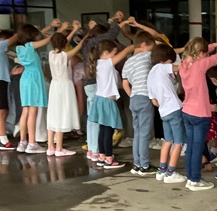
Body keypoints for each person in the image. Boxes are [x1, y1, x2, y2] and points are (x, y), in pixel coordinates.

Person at [178, 37, 217, 191]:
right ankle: (195, 180)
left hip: (187, 111)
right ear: (200, 53)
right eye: (205, 53)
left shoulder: (184, 64)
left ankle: (190, 178)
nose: (207, 55)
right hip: (200, 113)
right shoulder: (200, 65)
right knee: (198, 147)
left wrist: (216, 44)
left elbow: (199, 51)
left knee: (191, 147)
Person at [87, 40, 133, 169]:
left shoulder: (99, 64)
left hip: (100, 100)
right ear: (106, 53)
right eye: (114, 53)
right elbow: (124, 53)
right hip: (107, 101)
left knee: (103, 130)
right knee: (108, 131)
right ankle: (108, 158)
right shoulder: (106, 63)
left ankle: (102, 156)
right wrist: (133, 46)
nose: (115, 55)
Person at [15, 21, 59, 154]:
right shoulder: (30, 46)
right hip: (33, 79)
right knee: (33, 111)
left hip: (25, 78)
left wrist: (49, 27)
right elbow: (47, 40)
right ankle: (32, 142)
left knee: (25, 111)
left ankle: (23, 141)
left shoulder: (19, 48)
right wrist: (59, 29)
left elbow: (40, 38)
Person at [147, 44, 187, 183]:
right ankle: (171, 173)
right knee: (178, 142)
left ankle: (161, 170)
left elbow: (154, 101)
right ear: (165, 59)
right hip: (174, 108)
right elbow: (180, 68)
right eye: (171, 61)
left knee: (167, 141)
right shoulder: (162, 67)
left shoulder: (151, 73)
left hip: (163, 111)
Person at [46, 23, 85, 156]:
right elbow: (78, 46)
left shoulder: (51, 53)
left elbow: (63, 42)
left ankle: (50, 146)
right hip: (64, 86)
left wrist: (73, 30)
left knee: (53, 114)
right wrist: (85, 37)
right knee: (61, 115)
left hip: (54, 86)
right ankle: (59, 148)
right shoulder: (65, 55)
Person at [122, 31, 158, 176]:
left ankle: (136, 164)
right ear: (144, 45)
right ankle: (144, 165)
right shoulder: (147, 56)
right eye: (151, 47)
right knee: (144, 134)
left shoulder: (128, 61)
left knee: (137, 133)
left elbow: (125, 84)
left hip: (134, 98)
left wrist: (133, 95)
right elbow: (164, 52)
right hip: (144, 97)